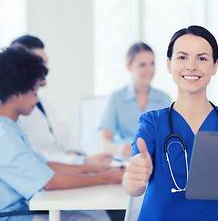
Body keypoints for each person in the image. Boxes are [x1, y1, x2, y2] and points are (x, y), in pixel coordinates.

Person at [123, 25, 218, 221]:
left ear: (215, 66)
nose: (191, 66)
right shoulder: (152, 123)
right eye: (182, 57)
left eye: (202, 58)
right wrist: (133, 177)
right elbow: (133, 187)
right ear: (169, 65)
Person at [0, 47, 124, 221]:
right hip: (15, 215)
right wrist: (105, 178)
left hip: (28, 207)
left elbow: (46, 165)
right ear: (16, 94)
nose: (37, 100)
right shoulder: (3, 136)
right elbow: (49, 182)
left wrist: (98, 169)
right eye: (34, 92)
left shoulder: (11, 128)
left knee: (96, 215)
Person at [10, 35, 112, 165]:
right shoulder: (14, 110)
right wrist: (80, 161)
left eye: (46, 62)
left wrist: (75, 154)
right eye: (41, 63)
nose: (47, 69)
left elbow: (63, 132)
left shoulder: (43, 102)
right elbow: (33, 155)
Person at [99, 42, 171, 157]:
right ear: (129, 66)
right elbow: (104, 142)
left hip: (155, 161)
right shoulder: (115, 98)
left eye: (152, 63)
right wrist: (118, 149)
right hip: (125, 161)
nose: (149, 70)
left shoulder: (165, 99)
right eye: (142, 65)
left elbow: (170, 138)